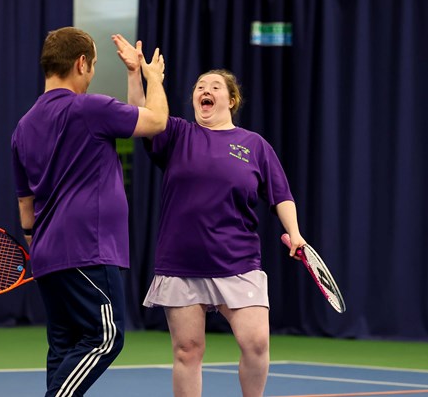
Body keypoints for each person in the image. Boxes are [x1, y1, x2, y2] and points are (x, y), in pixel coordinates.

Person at [128, 64, 307, 397]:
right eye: (199, 86)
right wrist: (135, 75)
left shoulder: (254, 145)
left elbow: (281, 195)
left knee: (256, 343)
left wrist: (294, 233)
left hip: (237, 261)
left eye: (214, 86)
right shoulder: (178, 134)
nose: (205, 90)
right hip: (182, 263)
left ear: (231, 99)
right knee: (187, 351)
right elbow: (142, 116)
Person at [10, 27, 168, 397]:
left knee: (64, 347)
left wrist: (35, 246)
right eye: (93, 65)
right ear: (81, 63)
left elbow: (24, 204)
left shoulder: (22, 127)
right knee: (105, 338)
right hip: (88, 249)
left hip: (48, 255)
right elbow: (156, 122)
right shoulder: (90, 108)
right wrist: (152, 77)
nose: (92, 72)